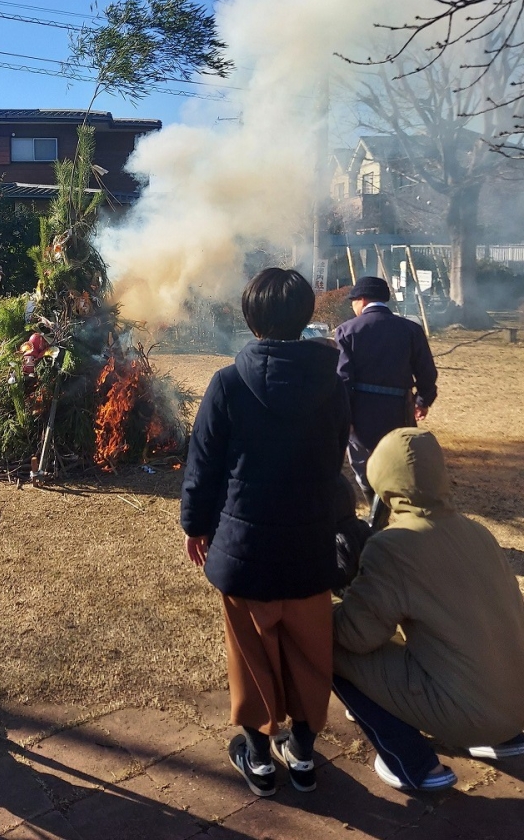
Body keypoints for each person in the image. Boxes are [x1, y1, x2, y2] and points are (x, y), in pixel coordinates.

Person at [181, 268, 350, 798]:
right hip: (310, 542)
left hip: (244, 547)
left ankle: (257, 755)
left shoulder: (228, 383)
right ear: (306, 315)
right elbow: (334, 453)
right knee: (308, 648)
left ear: (251, 320)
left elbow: (203, 464)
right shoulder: (332, 382)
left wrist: (195, 525)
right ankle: (302, 749)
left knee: (251, 651)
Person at [333, 428, 524, 792]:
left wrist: (330, 607)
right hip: (517, 704)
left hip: (467, 713)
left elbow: (357, 637)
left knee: (327, 646)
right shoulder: (477, 532)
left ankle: (410, 762)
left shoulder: (394, 546)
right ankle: (503, 736)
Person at [335, 275, 437, 528]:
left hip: (361, 414)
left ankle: (375, 517)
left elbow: (343, 379)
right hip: (399, 411)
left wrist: (344, 416)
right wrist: (423, 400)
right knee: (399, 463)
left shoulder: (347, 331)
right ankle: (394, 517)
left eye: (353, 302)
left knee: (364, 467)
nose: (352, 307)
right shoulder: (411, 329)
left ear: (362, 300)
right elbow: (426, 372)